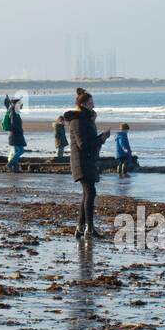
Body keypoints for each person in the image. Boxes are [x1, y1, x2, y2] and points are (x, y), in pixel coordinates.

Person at [64, 88, 108, 239]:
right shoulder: (77, 122)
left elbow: (89, 142)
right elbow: (83, 144)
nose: (93, 106)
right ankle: (89, 228)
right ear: (83, 104)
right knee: (90, 193)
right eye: (91, 103)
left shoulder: (85, 120)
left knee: (87, 194)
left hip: (88, 161)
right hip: (82, 162)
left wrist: (101, 138)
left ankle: (81, 228)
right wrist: (101, 138)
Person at [3, 99, 26, 172]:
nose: (22, 105)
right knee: (21, 150)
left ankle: (15, 169)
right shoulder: (13, 112)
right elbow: (13, 124)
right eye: (21, 104)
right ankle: (9, 164)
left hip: (16, 134)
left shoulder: (15, 112)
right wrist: (19, 130)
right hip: (15, 135)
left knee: (16, 151)